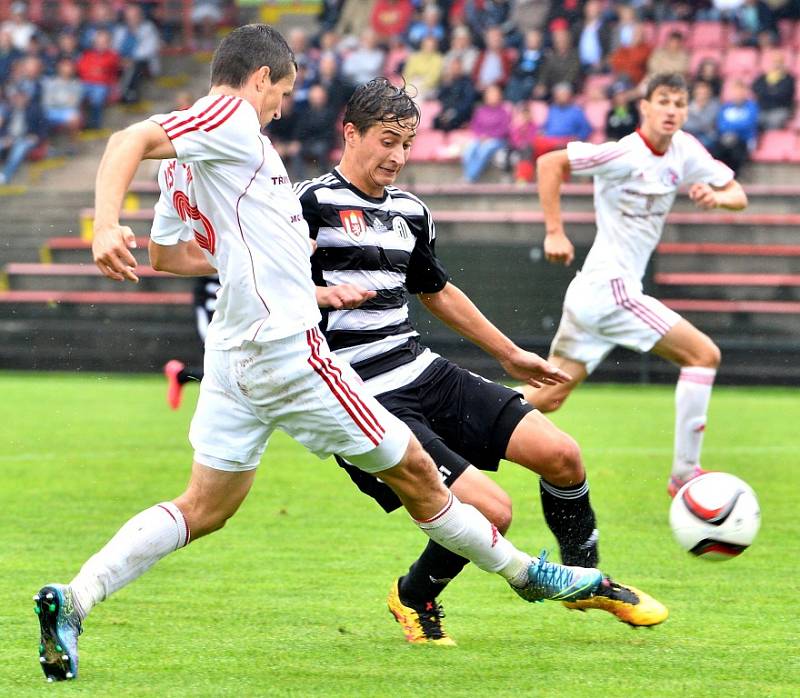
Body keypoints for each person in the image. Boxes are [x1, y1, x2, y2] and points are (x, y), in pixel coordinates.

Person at [35, 24, 606, 683]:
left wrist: (276, 269)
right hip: (287, 353)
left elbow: (169, 256)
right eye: (282, 91)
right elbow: (124, 138)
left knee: (204, 508)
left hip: (233, 353)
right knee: (421, 474)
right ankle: (528, 574)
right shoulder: (229, 118)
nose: (282, 106)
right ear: (259, 79)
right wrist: (105, 224)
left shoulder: (186, 168)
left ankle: (76, 600)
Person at [297, 77, 667, 645]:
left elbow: (436, 290)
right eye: (387, 142)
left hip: (420, 367)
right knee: (492, 511)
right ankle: (415, 593)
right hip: (358, 394)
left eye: (407, 144)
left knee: (562, 455)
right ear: (351, 133)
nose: (398, 157)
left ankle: (582, 569)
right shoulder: (309, 203)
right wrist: (315, 298)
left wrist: (511, 354)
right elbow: (262, 285)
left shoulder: (410, 212)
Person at [517, 73, 748, 498]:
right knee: (703, 355)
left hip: (593, 292)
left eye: (680, 103)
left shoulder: (685, 151)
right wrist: (554, 231)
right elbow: (550, 163)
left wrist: (718, 198)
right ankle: (684, 474)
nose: (672, 110)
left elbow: (737, 193)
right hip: (611, 290)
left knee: (547, 396)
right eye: (663, 101)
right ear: (645, 107)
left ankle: (455, 417)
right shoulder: (623, 154)